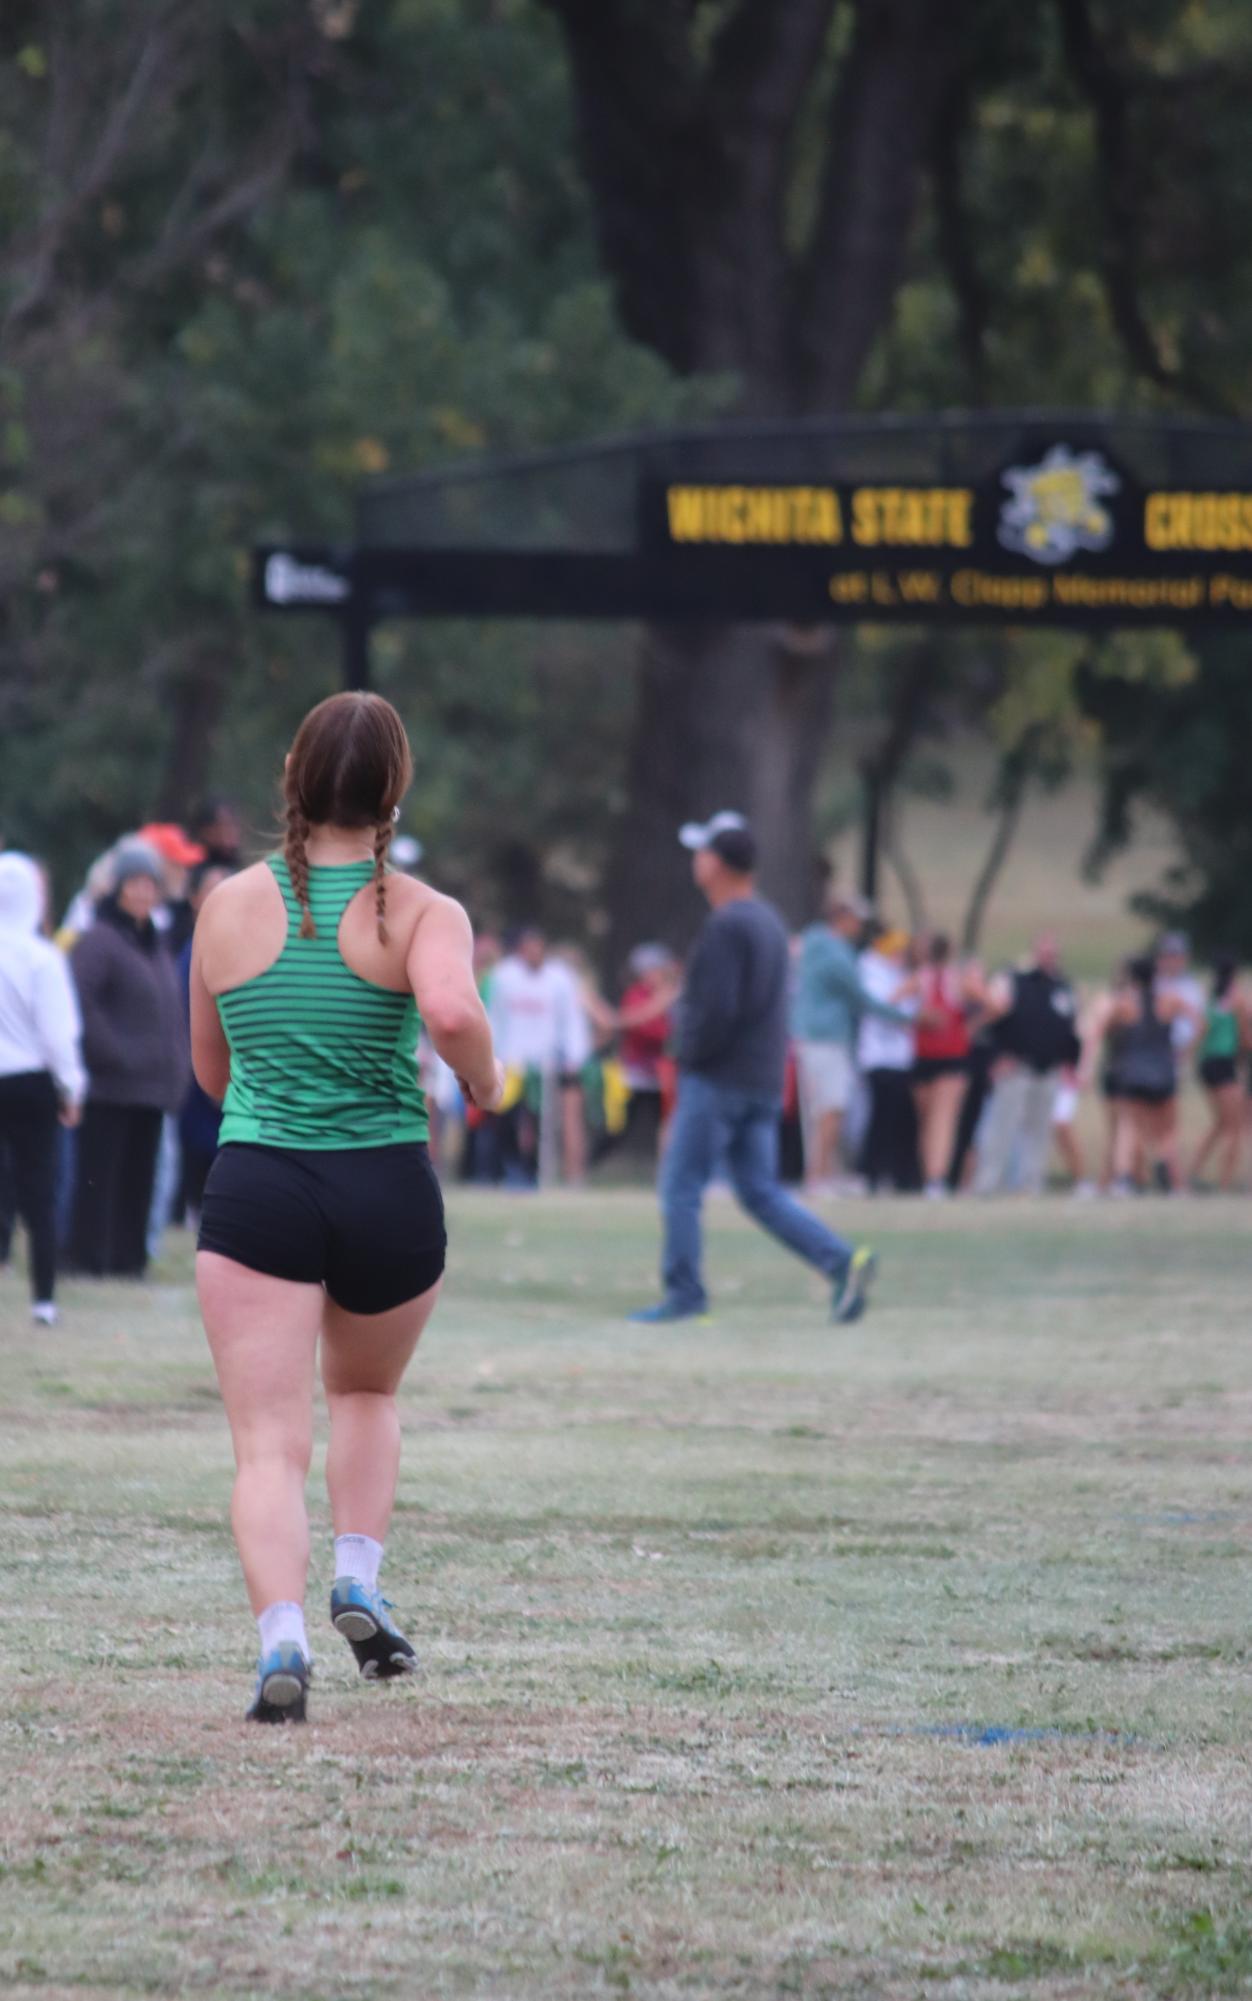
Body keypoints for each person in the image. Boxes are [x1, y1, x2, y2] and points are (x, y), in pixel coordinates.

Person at [191, 691, 503, 1724]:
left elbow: (208, 1070)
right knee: (364, 1397)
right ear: (394, 790)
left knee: (267, 1445)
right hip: (385, 1185)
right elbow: (453, 1010)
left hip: (262, 1186)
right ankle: (358, 1580)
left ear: (293, 778)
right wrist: (485, 1081)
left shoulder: (227, 907)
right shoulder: (420, 910)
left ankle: (281, 1639)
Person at [630, 812, 876, 1325]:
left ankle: (685, 1295)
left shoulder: (727, 924)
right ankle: (840, 1261)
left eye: (701, 852)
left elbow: (719, 1009)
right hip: (761, 1081)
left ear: (715, 864)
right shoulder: (768, 920)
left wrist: (689, 1054)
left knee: (681, 1185)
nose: (696, 860)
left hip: (718, 1080)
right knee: (759, 1191)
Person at [69, 848, 189, 1276]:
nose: (142, 892)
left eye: (150, 884)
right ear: (117, 887)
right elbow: (80, 1002)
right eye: (134, 883)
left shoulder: (154, 944)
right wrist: (114, 1052)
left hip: (151, 1089)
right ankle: (89, 1261)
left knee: (139, 1182)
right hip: (111, 1087)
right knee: (101, 1179)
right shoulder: (100, 939)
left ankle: (128, 1262)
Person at [0, 854, 85, 1323]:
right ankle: (44, 1300)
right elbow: (59, 1034)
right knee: (39, 1190)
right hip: (33, 1084)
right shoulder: (41, 957)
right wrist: (71, 1089)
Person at [792, 890, 910, 1192]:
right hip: (826, 1038)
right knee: (832, 1107)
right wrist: (905, 1016)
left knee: (824, 1109)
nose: (859, 926)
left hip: (814, 1037)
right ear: (842, 918)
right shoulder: (834, 954)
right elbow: (861, 998)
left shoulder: (815, 942)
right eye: (856, 919)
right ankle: (817, 1177)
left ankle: (822, 1173)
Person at [973, 935, 1081, 1195]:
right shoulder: (1015, 981)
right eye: (1043, 952)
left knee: (1039, 1131)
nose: (1048, 957)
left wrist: (1070, 1063)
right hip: (1017, 1067)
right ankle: (988, 1184)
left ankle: (1031, 1185)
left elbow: (1069, 1031)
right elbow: (994, 1022)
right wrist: (997, 1056)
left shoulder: (1064, 988)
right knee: (1002, 1128)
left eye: (1052, 953)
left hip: (1049, 1069)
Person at [487, 926, 591, 1186]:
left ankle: (540, 1172)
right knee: (509, 1118)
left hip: (547, 1064)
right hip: (512, 1063)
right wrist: (493, 1055)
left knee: (541, 1122)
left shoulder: (559, 979)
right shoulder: (504, 976)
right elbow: (495, 1018)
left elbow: (571, 1020)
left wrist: (574, 1055)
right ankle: (510, 1169)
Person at [1104, 954, 1199, 1192]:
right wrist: (1184, 1052)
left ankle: (1124, 1179)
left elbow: (1103, 1027)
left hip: (1133, 1073)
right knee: (1166, 1132)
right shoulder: (1169, 1001)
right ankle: (1177, 1184)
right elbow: (1199, 1022)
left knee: (1128, 1127)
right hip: (1164, 1072)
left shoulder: (1125, 1003)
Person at [857, 928, 921, 1194]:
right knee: (881, 1118)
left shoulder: (896, 972)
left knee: (902, 1119)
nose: (899, 954)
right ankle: (872, 1173)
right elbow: (880, 1007)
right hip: (879, 1056)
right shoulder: (869, 970)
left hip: (899, 1057)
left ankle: (900, 1176)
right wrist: (904, 992)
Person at [911, 934, 972, 1198]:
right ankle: (931, 1179)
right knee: (930, 1120)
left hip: (949, 1058)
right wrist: (917, 1018)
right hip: (927, 1056)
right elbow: (890, 1006)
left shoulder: (955, 980)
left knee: (940, 1119)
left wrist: (968, 1027)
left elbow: (994, 1004)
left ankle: (935, 1178)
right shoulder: (922, 979)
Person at [1189, 955, 1245, 1191]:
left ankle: (1192, 1172)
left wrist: (1189, 1056)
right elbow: (1245, 1035)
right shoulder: (1237, 999)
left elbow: (1200, 1030)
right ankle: (1224, 1184)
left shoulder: (1211, 998)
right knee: (1235, 1125)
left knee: (1221, 1123)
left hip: (1207, 1063)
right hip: (1224, 1064)